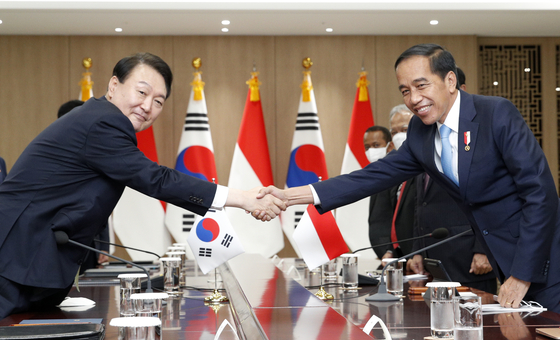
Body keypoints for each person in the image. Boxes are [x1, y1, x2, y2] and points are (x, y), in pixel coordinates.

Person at [256, 43, 560, 312]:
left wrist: (522, 274)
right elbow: (371, 176)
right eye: (405, 90)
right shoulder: (420, 132)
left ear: (450, 80)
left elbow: (540, 195)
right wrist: (291, 195)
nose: (413, 99)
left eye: (421, 85)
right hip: (504, 263)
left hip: (544, 259)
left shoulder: (496, 114)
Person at [0, 52, 285, 319]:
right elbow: (156, 179)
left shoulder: (101, 120)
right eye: (142, 92)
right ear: (113, 86)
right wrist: (242, 199)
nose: (148, 106)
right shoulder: (102, 122)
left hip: (27, 260)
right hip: (15, 258)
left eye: (159, 101)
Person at [407, 65, 497, 294]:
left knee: (474, 324)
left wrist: (485, 249)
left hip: (469, 259)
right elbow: (421, 202)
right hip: (433, 261)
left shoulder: (481, 133)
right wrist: (419, 249)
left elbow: (491, 199)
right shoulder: (422, 135)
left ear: (455, 87)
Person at [57, 99, 110, 271]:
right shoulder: (53, 156)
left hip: (89, 247)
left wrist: (104, 245)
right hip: (60, 243)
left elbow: (100, 204)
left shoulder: (96, 154)